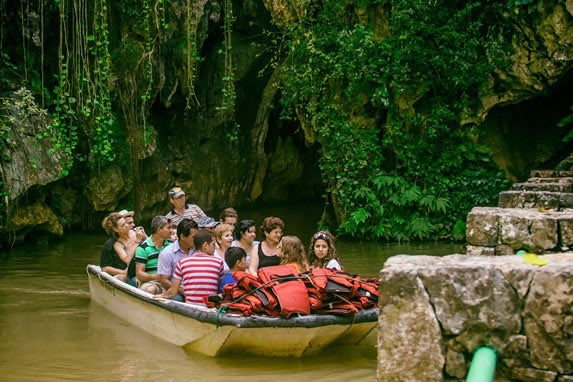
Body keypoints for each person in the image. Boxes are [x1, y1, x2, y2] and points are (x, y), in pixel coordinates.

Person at [157, 229, 224, 305]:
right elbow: (218, 286)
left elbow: (173, 291)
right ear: (205, 245)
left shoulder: (182, 263)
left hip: (190, 306)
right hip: (210, 306)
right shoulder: (218, 262)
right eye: (213, 244)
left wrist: (160, 296)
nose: (215, 247)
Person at [157, 218, 198, 301]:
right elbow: (164, 280)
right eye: (194, 237)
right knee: (177, 299)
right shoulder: (167, 253)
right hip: (176, 291)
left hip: (196, 290)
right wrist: (182, 292)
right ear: (182, 236)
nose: (197, 239)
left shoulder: (199, 250)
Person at [135, 215, 173, 294]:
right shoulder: (143, 248)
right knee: (150, 289)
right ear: (159, 230)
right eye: (168, 228)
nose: (171, 231)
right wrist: (158, 277)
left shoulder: (172, 245)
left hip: (171, 282)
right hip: (151, 282)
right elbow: (139, 274)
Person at [100, 212, 138, 285]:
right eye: (123, 225)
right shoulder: (112, 244)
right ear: (116, 229)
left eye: (126, 223)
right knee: (124, 277)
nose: (127, 226)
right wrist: (123, 272)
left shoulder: (137, 233)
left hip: (141, 268)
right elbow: (104, 268)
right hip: (124, 272)